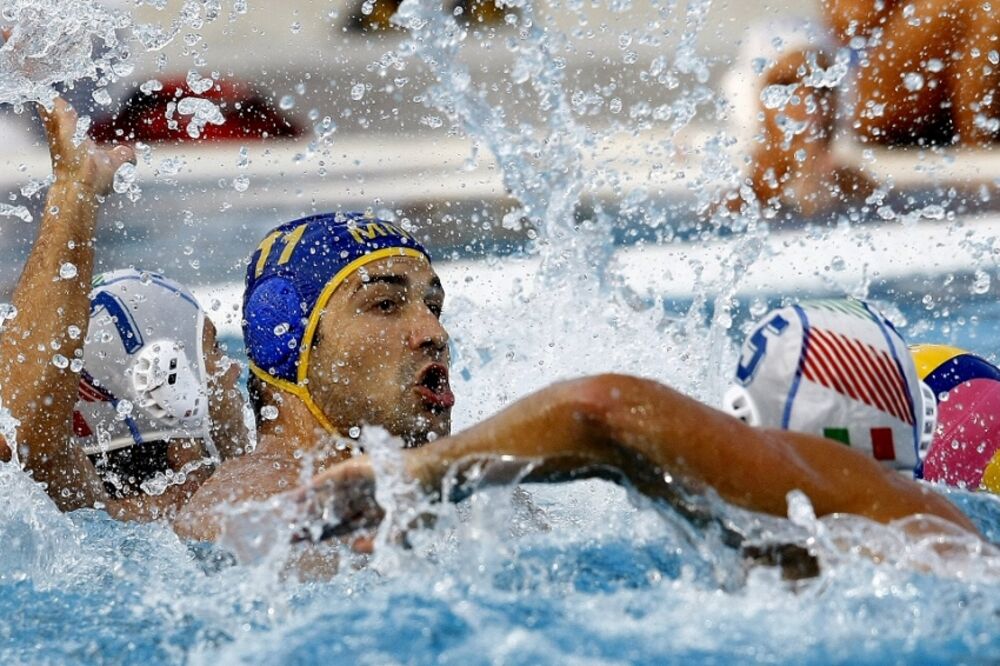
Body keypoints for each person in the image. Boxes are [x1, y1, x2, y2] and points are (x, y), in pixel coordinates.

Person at [174, 213, 974, 545]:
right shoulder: (242, 496)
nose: (434, 331)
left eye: (434, 304)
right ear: (286, 346)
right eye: (387, 305)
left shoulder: (493, 488)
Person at [0, 95, 249, 520]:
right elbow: (26, 437)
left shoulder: (82, 523)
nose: (233, 371)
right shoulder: (154, 521)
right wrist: (73, 190)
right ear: (170, 386)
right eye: (212, 352)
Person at [734, 0, 1000, 214]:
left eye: (823, 87)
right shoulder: (733, 205)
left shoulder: (862, 191)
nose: (808, 102)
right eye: (783, 87)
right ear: (753, 100)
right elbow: (852, 19)